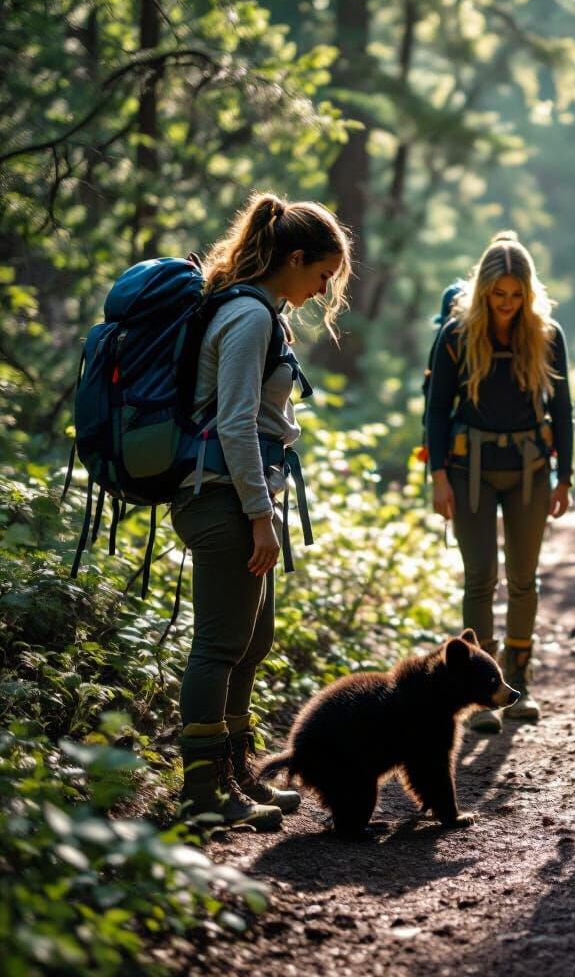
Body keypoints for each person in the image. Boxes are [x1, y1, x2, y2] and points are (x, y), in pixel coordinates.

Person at [172, 192, 351, 830]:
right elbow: (236, 421)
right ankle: (202, 790)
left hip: (239, 495)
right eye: (322, 274)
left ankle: (236, 771)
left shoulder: (258, 311)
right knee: (220, 645)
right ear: (294, 257)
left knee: (252, 641)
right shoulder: (248, 317)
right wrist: (258, 513)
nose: (322, 289)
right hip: (222, 499)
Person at [427, 231, 574, 733]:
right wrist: (438, 476)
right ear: (483, 290)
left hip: (532, 469)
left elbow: (564, 410)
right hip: (470, 472)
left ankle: (518, 682)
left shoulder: (547, 334)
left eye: (516, 295)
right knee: (479, 578)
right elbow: (437, 412)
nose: (508, 305)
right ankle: (479, 691)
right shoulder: (455, 335)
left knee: (523, 579)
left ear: (529, 292)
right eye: (498, 295)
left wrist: (566, 477)